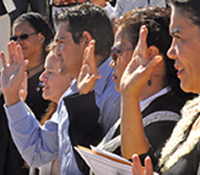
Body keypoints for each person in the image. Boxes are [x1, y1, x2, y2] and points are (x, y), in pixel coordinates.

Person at [73, 6, 196, 174]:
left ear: (151, 54)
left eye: (117, 52)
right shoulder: (140, 105)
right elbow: (89, 162)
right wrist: (84, 98)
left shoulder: (168, 120)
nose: (112, 63)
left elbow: (133, 163)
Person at [1, 3, 120, 175]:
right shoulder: (71, 93)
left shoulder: (119, 93)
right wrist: (12, 98)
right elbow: (38, 151)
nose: (57, 53)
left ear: (86, 41)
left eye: (61, 42)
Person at [126, 0, 200, 174]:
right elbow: (140, 160)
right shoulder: (193, 113)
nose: (170, 51)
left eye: (178, 37)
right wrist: (129, 93)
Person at [0, 12, 54, 175]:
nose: (18, 42)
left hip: (33, 161)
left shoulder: (51, 78)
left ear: (41, 37)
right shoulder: (8, 75)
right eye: (13, 38)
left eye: (23, 36)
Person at [28, 50, 72, 175]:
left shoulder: (78, 118)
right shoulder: (54, 114)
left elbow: (36, 153)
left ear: (72, 77)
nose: (42, 77)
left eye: (50, 72)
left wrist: (14, 101)